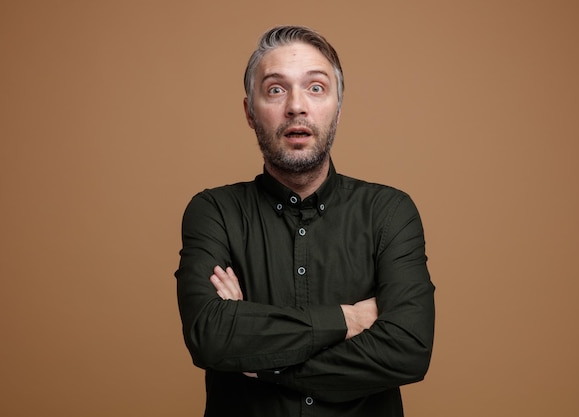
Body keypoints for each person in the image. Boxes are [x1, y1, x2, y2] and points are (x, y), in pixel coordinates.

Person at [175, 25, 435, 417]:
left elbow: (408, 349)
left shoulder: (389, 212)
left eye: (316, 88)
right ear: (249, 111)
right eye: (276, 90)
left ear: (338, 107)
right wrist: (348, 319)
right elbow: (211, 337)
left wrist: (264, 362)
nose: (297, 106)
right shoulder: (214, 212)